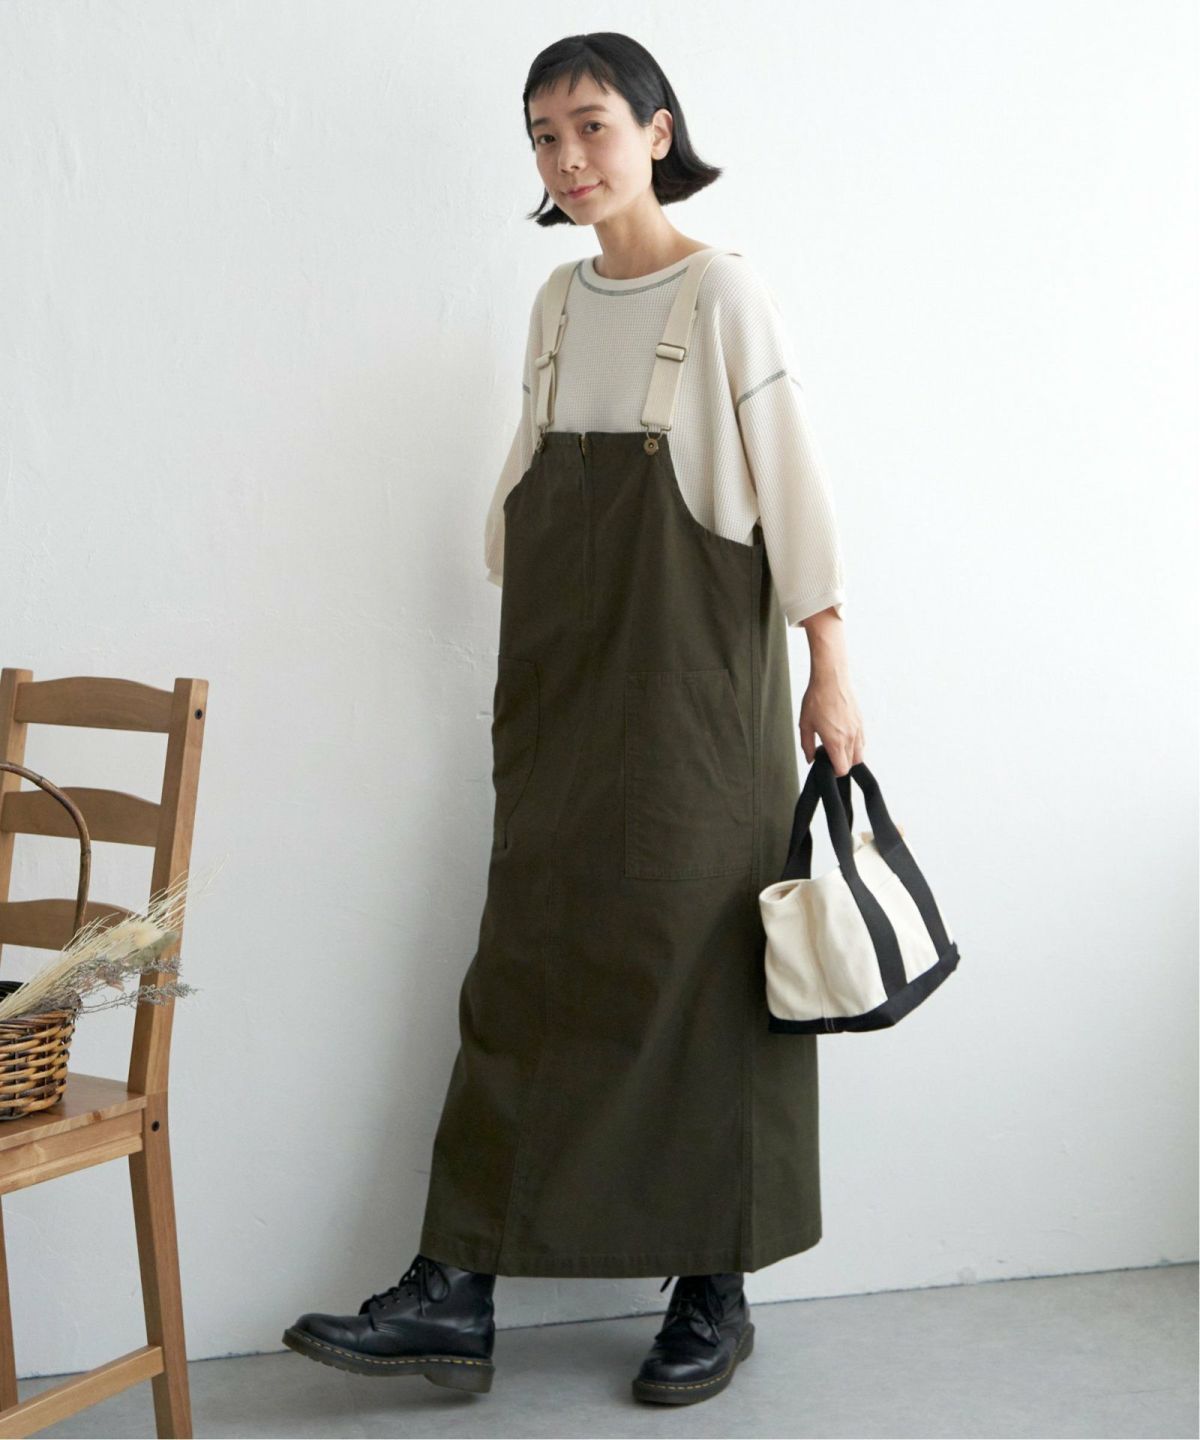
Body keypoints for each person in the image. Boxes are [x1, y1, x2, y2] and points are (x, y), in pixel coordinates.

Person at [284, 31, 865, 1407]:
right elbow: (523, 501)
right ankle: (455, 1288)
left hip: (696, 709)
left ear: (658, 131)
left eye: (592, 125)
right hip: (557, 697)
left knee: (703, 973)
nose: (567, 156)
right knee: (526, 972)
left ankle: (714, 1289)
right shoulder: (557, 301)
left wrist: (830, 666)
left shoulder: (722, 296)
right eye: (544, 135)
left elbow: (794, 488)